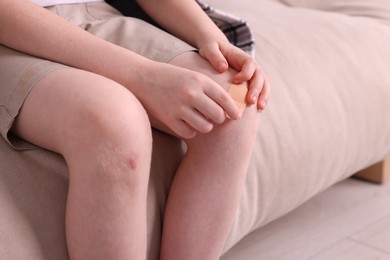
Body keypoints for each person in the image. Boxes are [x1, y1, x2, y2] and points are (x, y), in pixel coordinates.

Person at [0, 0, 270, 259]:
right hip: (11, 30)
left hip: (94, 13)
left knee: (234, 107)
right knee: (115, 125)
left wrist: (211, 37)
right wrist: (142, 76)